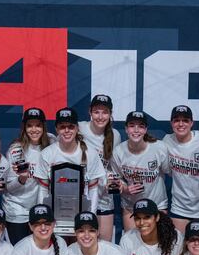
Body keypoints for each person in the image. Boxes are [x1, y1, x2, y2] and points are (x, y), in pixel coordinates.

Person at [163, 105, 199, 246]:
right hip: (179, 209)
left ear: (192, 123)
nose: (181, 124)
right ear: (171, 123)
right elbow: (167, 169)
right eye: (176, 120)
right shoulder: (167, 141)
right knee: (179, 252)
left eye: (185, 120)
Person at [35, 108, 106, 216]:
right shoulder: (47, 154)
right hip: (54, 214)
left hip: (82, 214)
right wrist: (43, 216)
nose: (67, 130)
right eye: (62, 127)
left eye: (71, 126)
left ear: (77, 128)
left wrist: (91, 216)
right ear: (56, 129)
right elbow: (43, 190)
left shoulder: (90, 153)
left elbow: (93, 190)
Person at [110, 111, 169, 231]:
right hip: (131, 207)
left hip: (157, 205)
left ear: (146, 129)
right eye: (132, 126)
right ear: (126, 129)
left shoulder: (159, 148)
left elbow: (168, 172)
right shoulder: (118, 152)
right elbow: (116, 180)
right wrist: (126, 188)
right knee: (132, 246)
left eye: (141, 126)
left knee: (161, 246)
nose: (136, 130)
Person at [2, 108, 54, 245]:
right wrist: (22, 178)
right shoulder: (16, 150)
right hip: (17, 210)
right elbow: (9, 188)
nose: (34, 129)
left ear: (43, 126)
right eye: (29, 125)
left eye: (38, 125)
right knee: (19, 252)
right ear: (24, 127)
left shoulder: (51, 144)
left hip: (39, 208)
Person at [79, 95, 121, 241]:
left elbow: (112, 167)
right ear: (90, 112)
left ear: (110, 114)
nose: (100, 116)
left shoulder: (115, 135)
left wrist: (112, 180)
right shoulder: (79, 128)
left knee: (104, 245)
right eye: (97, 111)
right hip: (81, 196)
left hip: (103, 197)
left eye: (105, 112)